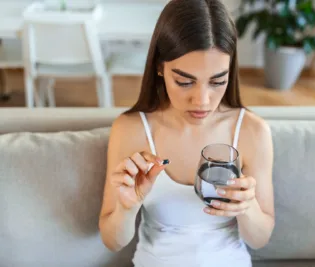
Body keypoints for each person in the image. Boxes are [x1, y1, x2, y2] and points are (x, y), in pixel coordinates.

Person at [98, 0, 275, 266]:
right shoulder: (131, 130)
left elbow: (260, 240)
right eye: (184, 81)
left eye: (217, 81)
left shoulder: (252, 131)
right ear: (160, 67)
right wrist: (127, 207)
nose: (202, 100)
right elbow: (112, 241)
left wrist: (247, 207)